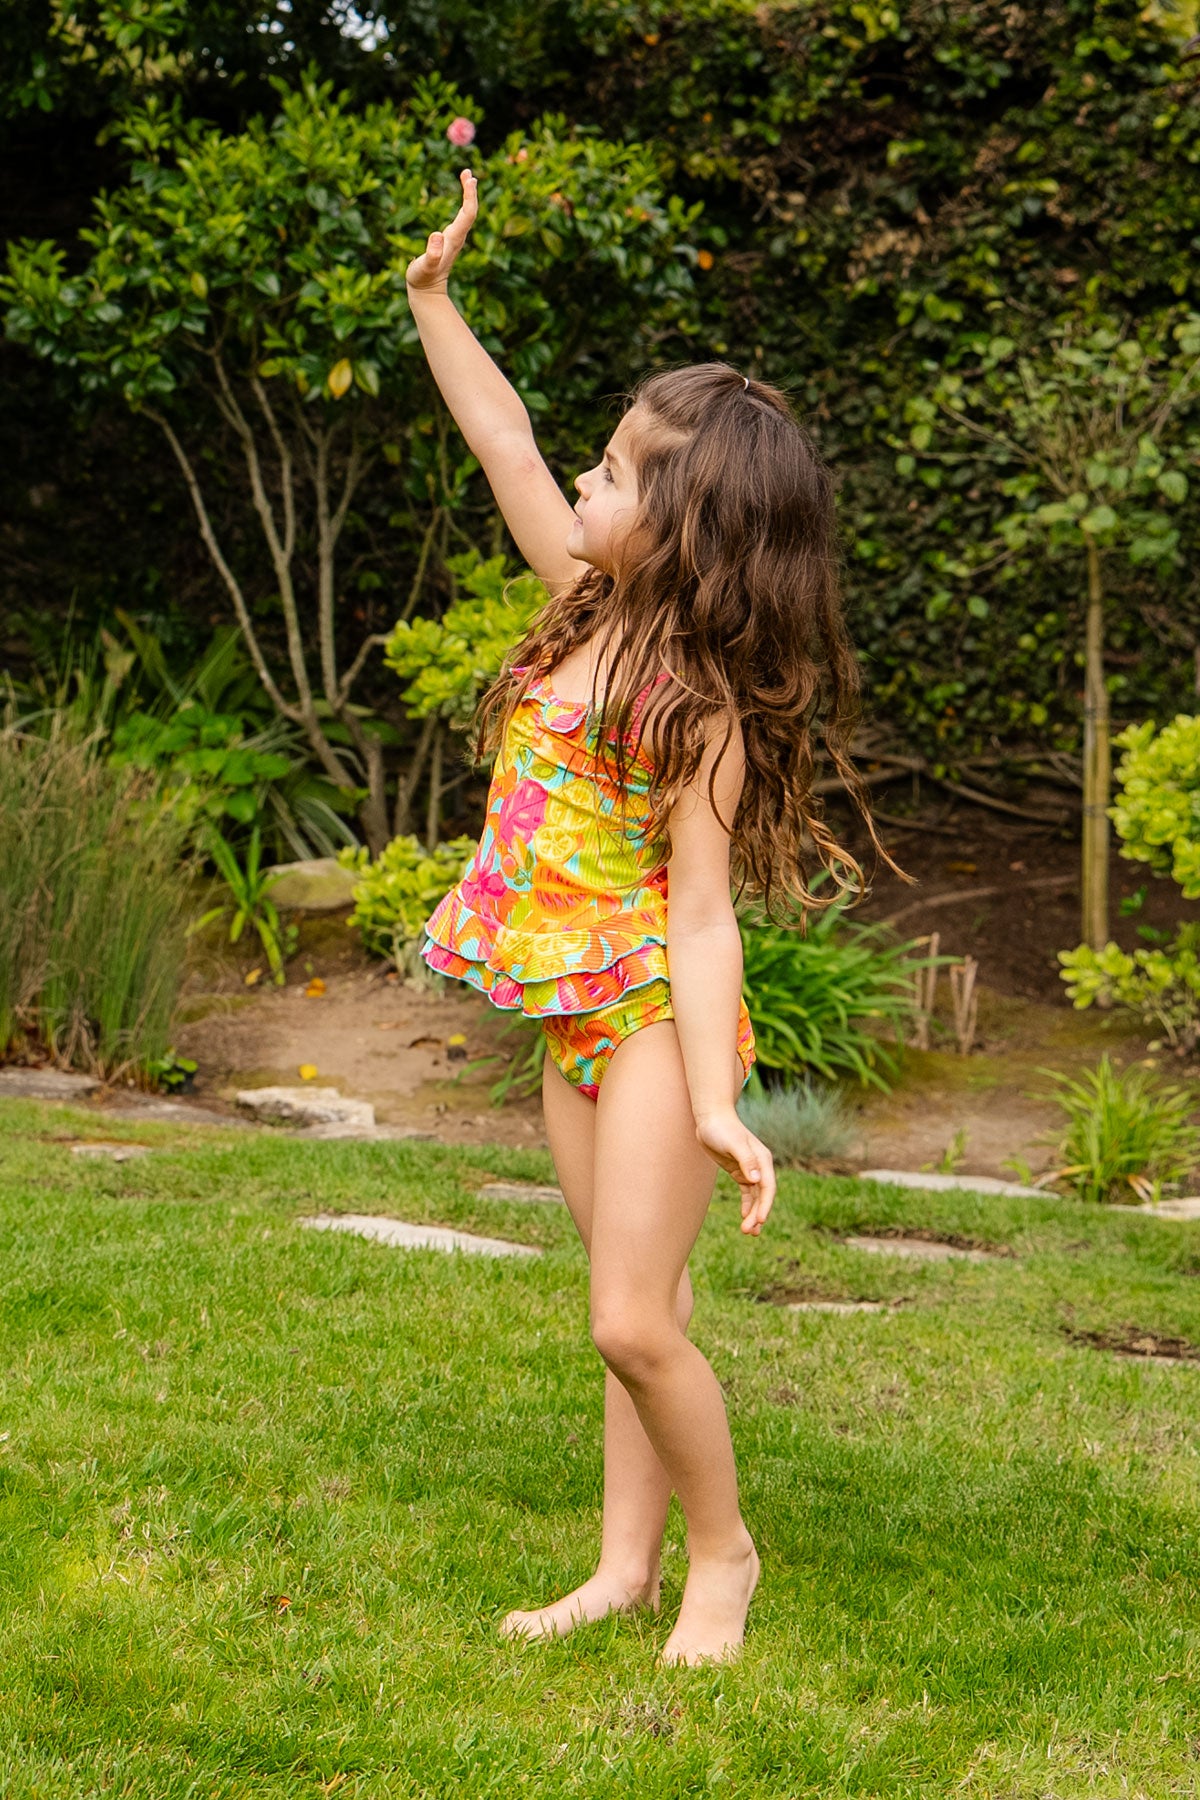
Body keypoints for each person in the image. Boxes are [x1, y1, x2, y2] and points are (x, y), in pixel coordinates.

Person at [405, 170, 894, 1666]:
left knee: (628, 1318)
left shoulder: (702, 707)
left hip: (650, 1026)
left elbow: (703, 922)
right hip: (573, 1003)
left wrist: (718, 1104)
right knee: (641, 1298)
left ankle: (723, 1557)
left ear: (685, 528)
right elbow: (503, 437)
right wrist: (433, 300)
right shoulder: (577, 597)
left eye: (615, 472)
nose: (586, 481)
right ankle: (624, 1568)